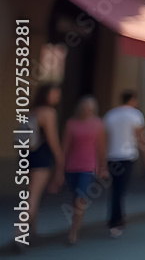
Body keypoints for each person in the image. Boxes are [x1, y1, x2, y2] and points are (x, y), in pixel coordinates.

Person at [103, 90, 145, 237]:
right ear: (133, 100)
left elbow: (104, 137)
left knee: (115, 189)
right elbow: (141, 139)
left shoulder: (110, 115)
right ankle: (115, 221)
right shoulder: (135, 115)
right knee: (120, 190)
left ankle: (118, 217)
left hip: (112, 156)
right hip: (126, 157)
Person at [62, 96, 107, 245]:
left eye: (91, 109)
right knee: (74, 198)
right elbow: (65, 147)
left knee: (81, 199)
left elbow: (101, 147)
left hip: (88, 167)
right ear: (80, 108)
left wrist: (103, 167)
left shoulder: (97, 124)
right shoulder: (71, 123)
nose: (89, 111)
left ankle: (73, 232)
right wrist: (59, 170)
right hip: (71, 166)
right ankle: (74, 224)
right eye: (86, 108)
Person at [22, 83, 64, 245]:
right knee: (33, 196)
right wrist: (60, 159)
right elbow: (53, 140)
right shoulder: (49, 112)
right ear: (47, 94)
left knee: (31, 192)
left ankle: (33, 231)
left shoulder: (31, 111)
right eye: (55, 93)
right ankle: (20, 233)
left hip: (27, 155)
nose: (58, 96)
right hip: (41, 156)